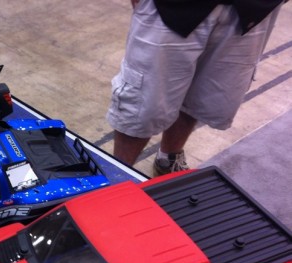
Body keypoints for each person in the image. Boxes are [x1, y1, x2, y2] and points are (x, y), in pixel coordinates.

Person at [106, 0, 286, 175]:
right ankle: (117, 175)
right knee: (144, 105)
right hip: (173, 7)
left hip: (252, 9)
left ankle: (168, 159)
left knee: (199, 95)